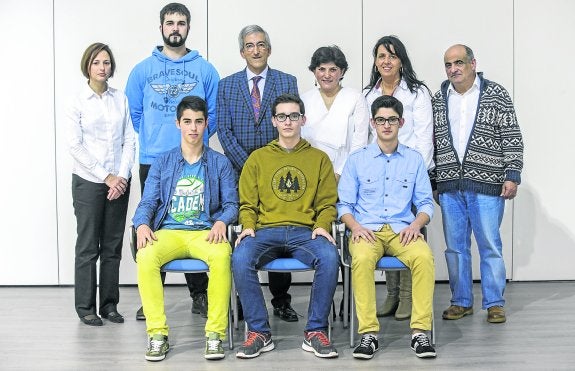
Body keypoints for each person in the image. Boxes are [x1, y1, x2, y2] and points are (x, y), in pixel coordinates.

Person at [125, 2, 220, 320]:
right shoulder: (142, 70)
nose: (175, 28)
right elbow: (134, 115)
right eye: (170, 23)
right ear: (161, 27)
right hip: (154, 159)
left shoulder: (205, 70)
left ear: (188, 28)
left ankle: (200, 294)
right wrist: (157, 140)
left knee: (192, 219)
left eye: (181, 22)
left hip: (195, 160)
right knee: (151, 223)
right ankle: (150, 296)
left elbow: (214, 114)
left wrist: (193, 142)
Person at [232, 94, 340, 359]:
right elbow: (247, 203)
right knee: (240, 256)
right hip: (265, 230)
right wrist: (247, 225)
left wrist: (323, 225)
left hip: (306, 232)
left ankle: (315, 331)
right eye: (282, 116)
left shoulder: (319, 159)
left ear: (303, 119)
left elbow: (328, 203)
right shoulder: (257, 159)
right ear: (273, 121)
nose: (288, 122)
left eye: (293, 116)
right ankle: (259, 332)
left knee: (328, 255)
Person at [133, 96, 238, 361]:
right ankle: (157, 334)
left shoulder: (219, 163)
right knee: (145, 256)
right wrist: (142, 223)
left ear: (206, 125)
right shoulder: (163, 162)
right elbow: (148, 201)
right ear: (178, 123)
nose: (193, 128)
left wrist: (221, 221)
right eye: (188, 121)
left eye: (199, 122)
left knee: (222, 255)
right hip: (169, 232)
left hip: (205, 232)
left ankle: (215, 335)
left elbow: (231, 204)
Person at [338, 95, 436, 359]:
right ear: (372, 123)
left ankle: (420, 333)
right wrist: (355, 227)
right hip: (366, 230)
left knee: (424, 258)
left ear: (401, 122)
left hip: (402, 230)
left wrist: (417, 224)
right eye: (381, 120)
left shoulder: (414, 160)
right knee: (360, 260)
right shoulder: (357, 160)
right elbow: (344, 205)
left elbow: (426, 203)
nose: (386, 125)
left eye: (392, 120)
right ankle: (368, 334)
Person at [432, 44, 524, 324]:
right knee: (455, 247)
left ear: (473, 63)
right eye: (448, 64)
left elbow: (512, 135)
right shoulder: (439, 98)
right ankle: (461, 301)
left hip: (487, 183)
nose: (453, 69)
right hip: (449, 185)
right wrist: (435, 180)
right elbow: (433, 143)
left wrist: (512, 174)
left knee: (490, 245)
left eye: (458, 62)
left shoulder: (495, 94)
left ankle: (494, 302)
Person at [217, 25, 299, 322]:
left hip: (278, 173)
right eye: (249, 45)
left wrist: (268, 166)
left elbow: (289, 126)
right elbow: (223, 131)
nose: (255, 50)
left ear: (269, 49)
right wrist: (251, 164)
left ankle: (281, 300)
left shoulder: (286, 81)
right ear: (242, 51)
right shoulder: (226, 85)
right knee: (243, 235)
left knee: (280, 228)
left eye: (261, 44)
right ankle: (241, 301)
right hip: (239, 172)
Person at [363, 35, 434, 321]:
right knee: (382, 227)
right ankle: (391, 294)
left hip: (410, 174)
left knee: (407, 233)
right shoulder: (368, 94)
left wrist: (412, 170)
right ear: (376, 61)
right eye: (381, 56)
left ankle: (406, 296)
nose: (386, 61)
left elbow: (424, 137)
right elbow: (366, 137)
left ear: (401, 60)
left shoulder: (418, 92)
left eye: (392, 56)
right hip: (377, 174)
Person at [67, 42, 136, 326]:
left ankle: (109, 305)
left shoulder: (120, 99)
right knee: (87, 247)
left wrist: (120, 176)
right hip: (88, 182)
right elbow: (75, 145)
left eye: (106, 63)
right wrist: (105, 176)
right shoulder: (77, 100)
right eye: (96, 62)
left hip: (118, 182)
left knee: (112, 247)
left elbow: (130, 139)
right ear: (87, 65)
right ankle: (85, 308)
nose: (102, 68)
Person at [301, 45, 369, 183]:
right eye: (321, 69)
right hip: (311, 172)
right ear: (314, 71)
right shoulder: (304, 99)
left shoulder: (355, 97)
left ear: (342, 72)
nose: (327, 75)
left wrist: (340, 174)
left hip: (347, 172)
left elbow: (360, 142)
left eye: (333, 69)